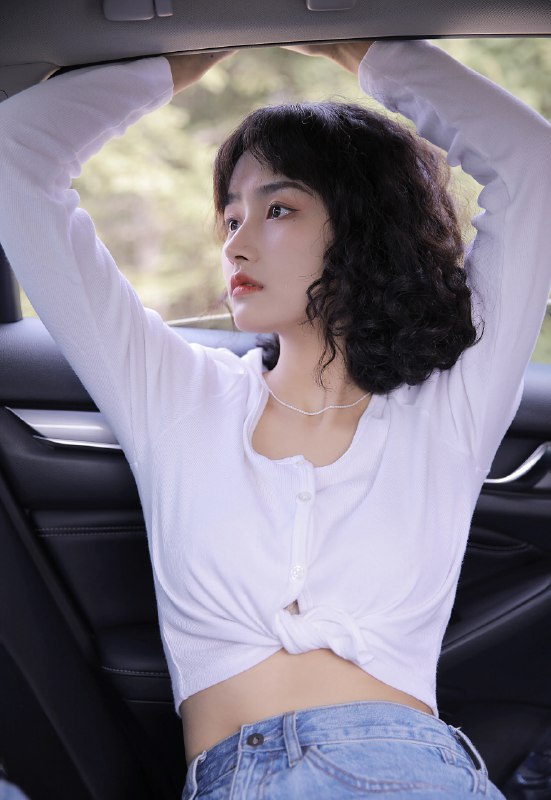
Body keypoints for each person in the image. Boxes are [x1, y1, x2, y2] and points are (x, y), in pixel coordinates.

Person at [0, 34, 549, 800]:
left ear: (361, 225)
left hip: (413, 773)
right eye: (229, 219)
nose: (236, 244)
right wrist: (182, 60)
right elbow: (14, 157)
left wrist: (364, 54)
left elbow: (532, 167)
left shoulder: (447, 406)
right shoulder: (175, 395)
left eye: (277, 208)